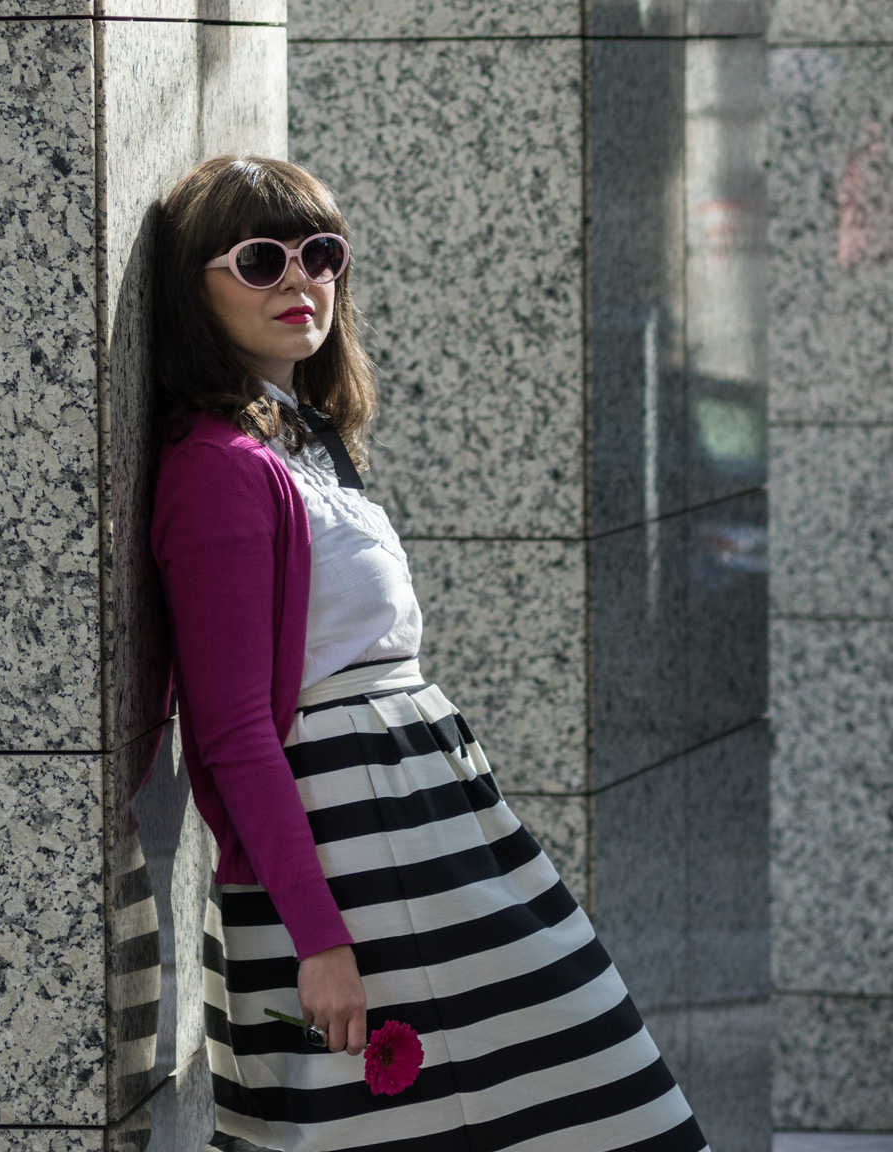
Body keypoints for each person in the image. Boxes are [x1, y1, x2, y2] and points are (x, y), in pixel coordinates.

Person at [146, 156, 707, 1152]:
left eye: (319, 254)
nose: (299, 280)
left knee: (587, 1098)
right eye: (259, 258)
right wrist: (318, 943)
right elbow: (229, 733)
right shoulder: (214, 472)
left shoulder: (301, 439)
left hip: (432, 833)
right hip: (353, 858)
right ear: (195, 285)